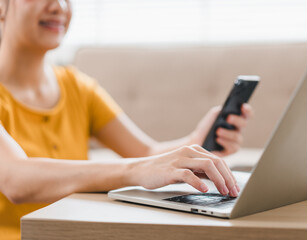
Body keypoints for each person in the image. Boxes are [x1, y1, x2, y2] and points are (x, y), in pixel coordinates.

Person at [0, 0, 253, 239]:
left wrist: (197, 142)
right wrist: (137, 170)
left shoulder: (78, 87)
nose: (58, 7)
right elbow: (16, 180)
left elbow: (146, 152)